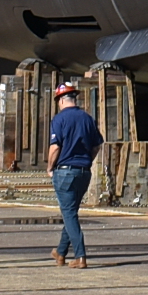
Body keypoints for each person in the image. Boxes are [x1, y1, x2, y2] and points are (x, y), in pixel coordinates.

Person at [46, 82, 100, 268]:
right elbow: (97, 145)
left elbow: (55, 147)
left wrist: (49, 167)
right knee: (72, 212)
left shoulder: (59, 120)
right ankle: (60, 252)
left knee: (68, 214)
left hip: (65, 171)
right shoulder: (87, 118)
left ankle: (80, 256)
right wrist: (87, 160)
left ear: (61, 100)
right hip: (84, 172)